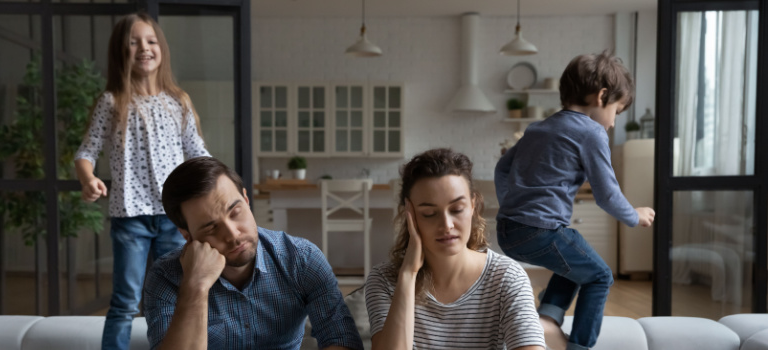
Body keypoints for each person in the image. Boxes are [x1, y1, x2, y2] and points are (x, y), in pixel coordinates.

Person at [494, 51, 656, 350]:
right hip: (540, 231)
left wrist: (511, 205)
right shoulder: (591, 133)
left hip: (508, 230)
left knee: (575, 257)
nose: (613, 123)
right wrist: (634, 215)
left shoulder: (537, 127)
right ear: (602, 96)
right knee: (600, 276)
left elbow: (502, 168)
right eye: (616, 112)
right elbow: (606, 194)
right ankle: (580, 346)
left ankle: (548, 320)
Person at [74, 12, 211, 350]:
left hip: (174, 219)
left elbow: (198, 153)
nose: (143, 48)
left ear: (161, 48)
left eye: (150, 41)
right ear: (121, 52)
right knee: (124, 301)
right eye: (133, 42)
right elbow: (86, 151)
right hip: (130, 218)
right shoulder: (112, 102)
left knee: (173, 294)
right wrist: (88, 178)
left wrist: (219, 185)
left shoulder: (178, 101)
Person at [144, 156, 363, 350]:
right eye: (211, 228)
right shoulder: (165, 277)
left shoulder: (301, 258)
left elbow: (342, 339)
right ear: (187, 236)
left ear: (247, 201)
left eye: (235, 212)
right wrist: (196, 287)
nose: (232, 234)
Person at [365, 148, 546, 350]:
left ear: (472, 206)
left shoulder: (506, 277)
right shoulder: (383, 279)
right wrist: (408, 274)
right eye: (429, 213)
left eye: (457, 209)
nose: (447, 224)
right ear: (410, 214)